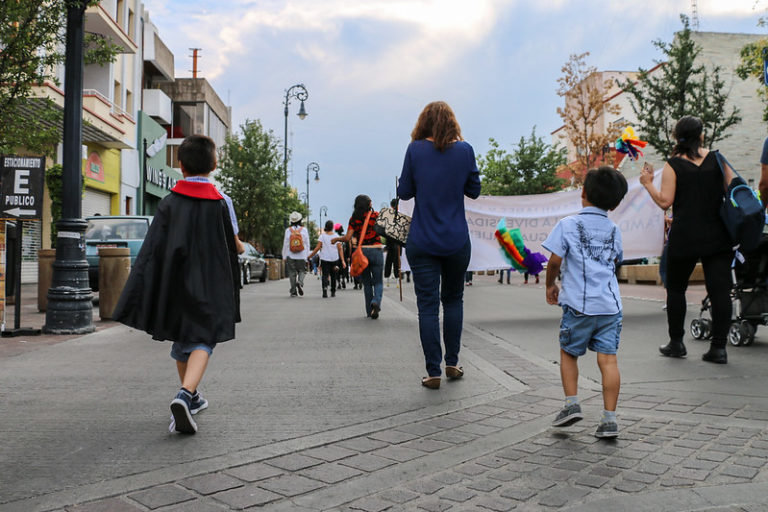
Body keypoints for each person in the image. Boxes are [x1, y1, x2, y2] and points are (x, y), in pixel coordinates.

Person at [113, 134, 241, 435]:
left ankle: (192, 396)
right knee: (203, 340)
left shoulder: (169, 203)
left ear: (180, 166)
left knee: (183, 340)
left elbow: (154, 247)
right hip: (209, 283)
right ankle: (184, 394)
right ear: (215, 164)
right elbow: (231, 246)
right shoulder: (221, 203)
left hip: (176, 281)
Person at [397, 101, 481, 389]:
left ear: (424, 123)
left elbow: (405, 192)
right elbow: (474, 191)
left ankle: (432, 371)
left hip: (422, 239)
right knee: (454, 299)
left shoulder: (415, 150)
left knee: (428, 307)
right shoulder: (465, 150)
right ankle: (452, 362)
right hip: (456, 239)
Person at [640, 115, 735, 364]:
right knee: (720, 291)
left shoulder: (673, 165)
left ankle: (676, 342)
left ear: (676, 137)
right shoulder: (718, 158)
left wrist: (648, 184)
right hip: (718, 234)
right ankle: (718, 348)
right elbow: (733, 189)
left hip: (685, 235)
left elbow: (664, 202)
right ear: (701, 135)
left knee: (676, 289)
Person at [543, 166, 628, 438]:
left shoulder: (568, 224)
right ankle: (609, 420)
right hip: (610, 306)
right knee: (609, 361)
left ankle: (571, 404)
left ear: (583, 193)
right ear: (615, 203)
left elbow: (554, 260)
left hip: (579, 306)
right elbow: (616, 261)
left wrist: (550, 284)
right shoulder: (614, 229)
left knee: (569, 352)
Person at [334, 195, 384, 317]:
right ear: (369, 204)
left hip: (361, 252)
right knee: (378, 282)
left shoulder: (354, 219)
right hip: (376, 250)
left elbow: (347, 238)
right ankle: (376, 301)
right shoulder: (376, 215)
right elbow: (386, 230)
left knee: (367, 283)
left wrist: (336, 239)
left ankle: (369, 311)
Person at [308, 220, 346, 298]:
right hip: (334, 258)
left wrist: (311, 255)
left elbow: (318, 247)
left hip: (325, 258)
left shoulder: (322, 236)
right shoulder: (336, 236)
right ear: (332, 227)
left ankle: (325, 290)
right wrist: (342, 260)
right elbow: (340, 248)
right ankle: (333, 291)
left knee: (325, 275)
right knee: (333, 275)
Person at [282, 211, 310, 297]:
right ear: (300, 220)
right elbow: (307, 243)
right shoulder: (304, 230)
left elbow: (286, 244)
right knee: (302, 270)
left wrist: (284, 255)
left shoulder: (288, 230)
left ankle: (293, 291)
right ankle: (300, 282)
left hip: (291, 254)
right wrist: (307, 255)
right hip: (301, 255)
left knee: (292, 273)